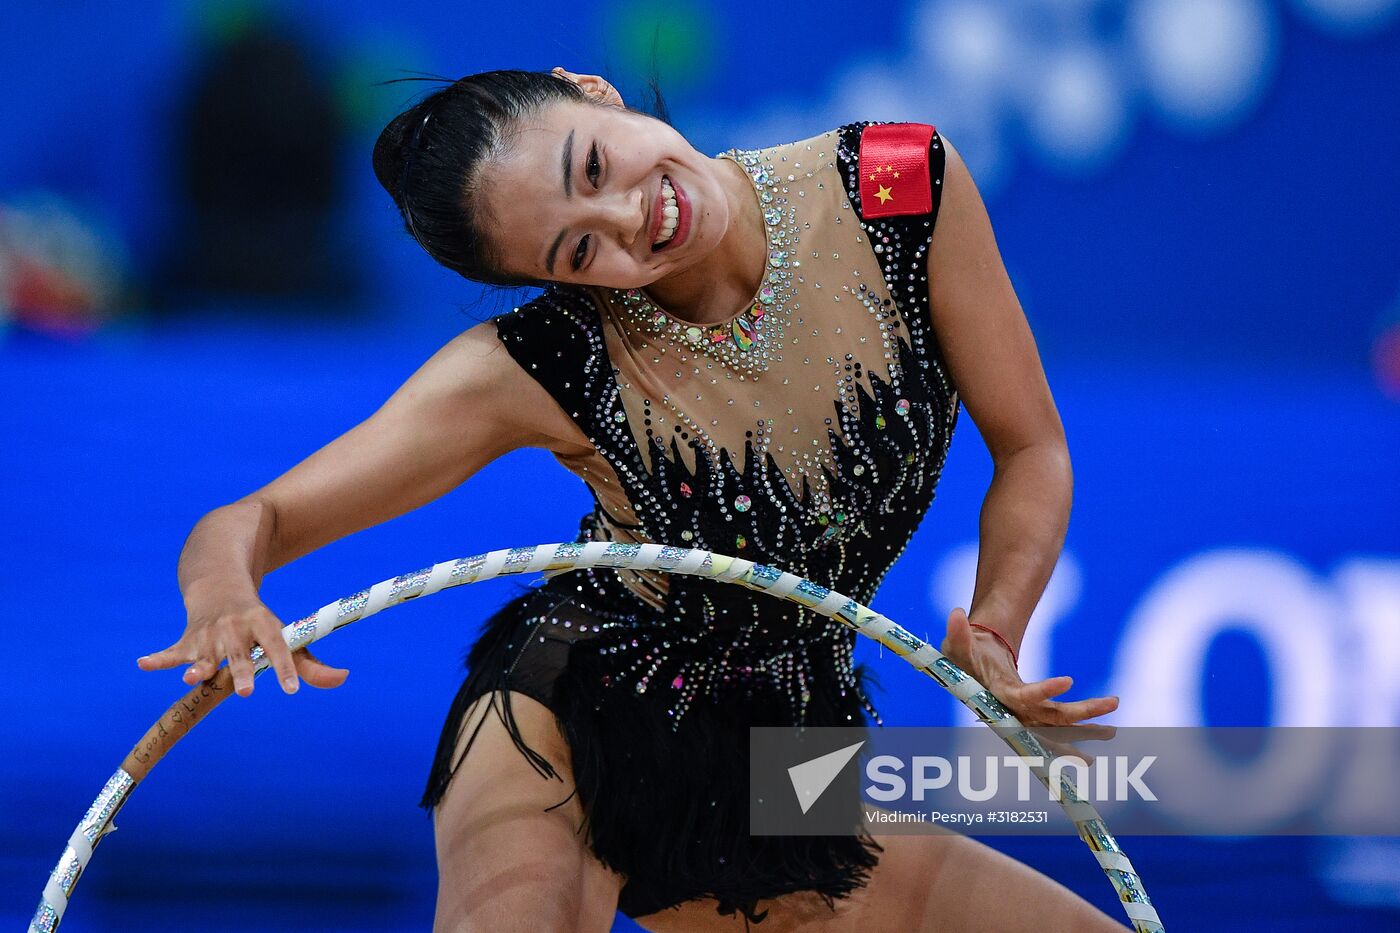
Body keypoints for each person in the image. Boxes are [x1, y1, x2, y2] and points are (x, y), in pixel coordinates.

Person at [137, 68, 1124, 931]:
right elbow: (249, 522)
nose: (629, 223)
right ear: (551, 284)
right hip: (572, 721)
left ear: (595, 94)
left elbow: (1031, 448)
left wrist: (995, 623)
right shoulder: (547, 360)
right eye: (576, 253)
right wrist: (224, 592)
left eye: (593, 168)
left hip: (787, 759)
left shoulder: (897, 188)